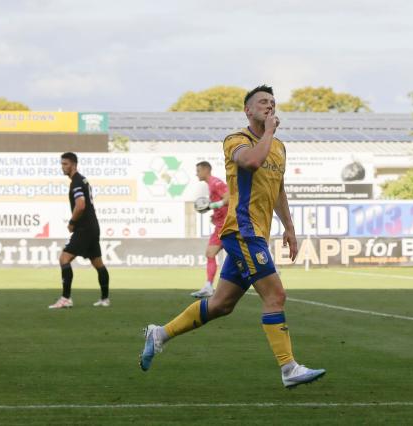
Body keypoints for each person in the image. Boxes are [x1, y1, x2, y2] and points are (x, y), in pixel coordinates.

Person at [139, 85, 325, 388]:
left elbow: (278, 189)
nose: (269, 107)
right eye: (262, 103)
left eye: (273, 103)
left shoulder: (278, 147)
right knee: (276, 296)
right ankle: (289, 368)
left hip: (258, 234)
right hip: (242, 230)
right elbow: (250, 162)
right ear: (247, 111)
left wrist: (289, 227)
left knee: (220, 305)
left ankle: (159, 333)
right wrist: (267, 133)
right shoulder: (236, 140)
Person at [49, 152, 110, 309]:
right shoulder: (82, 179)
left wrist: (72, 223)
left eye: (66, 164)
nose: (63, 167)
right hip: (93, 227)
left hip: (84, 229)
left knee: (64, 259)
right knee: (98, 264)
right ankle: (105, 299)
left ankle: (66, 298)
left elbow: (81, 204)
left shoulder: (76, 182)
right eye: (62, 164)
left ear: (74, 165)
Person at [190, 161, 229, 299]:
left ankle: (270, 269)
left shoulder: (215, 182)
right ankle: (208, 286)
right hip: (220, 224)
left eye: (198, 170)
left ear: (206, 170)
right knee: (210, 253)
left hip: (226, 226)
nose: (197, 174)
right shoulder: (211, 184)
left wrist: (211, 206)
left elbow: (229, 197)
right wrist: (215, 213)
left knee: (240, 255)